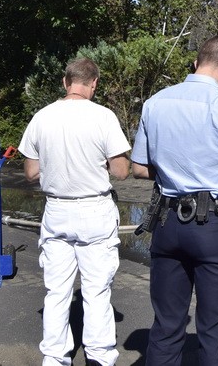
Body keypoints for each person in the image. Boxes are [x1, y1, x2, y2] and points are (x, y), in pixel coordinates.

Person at [131, 35, 218, 366]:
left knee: (166, 327)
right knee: (214, 333)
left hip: (167, 223)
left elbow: (139, 169)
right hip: (213, 228)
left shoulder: (155, 103)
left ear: (195, 63)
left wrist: (175, 170)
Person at [19, 57, 131, 366]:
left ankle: (55, 357)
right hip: (94, 209)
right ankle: (99, 357)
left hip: (56, 210)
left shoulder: (42, 117)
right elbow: (121, 170)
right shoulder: (103, 117)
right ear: (93, 83)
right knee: (96, 292)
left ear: (65, 82)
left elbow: (30, 171)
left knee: (57, 291)